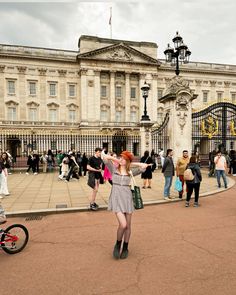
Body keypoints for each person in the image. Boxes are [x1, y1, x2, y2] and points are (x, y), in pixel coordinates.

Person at [101, 150, 149, 259]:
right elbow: (104, 158)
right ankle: (118, 244)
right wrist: (117, 160)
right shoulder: (113, 168)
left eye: (123, 158)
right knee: (123, 225)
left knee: (128, 226)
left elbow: (144, 166)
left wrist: (130, 163)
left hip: (127, 198)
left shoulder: (130, 172)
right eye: (120, 157)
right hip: (116, 198)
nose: (121, 159)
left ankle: (126, 247)